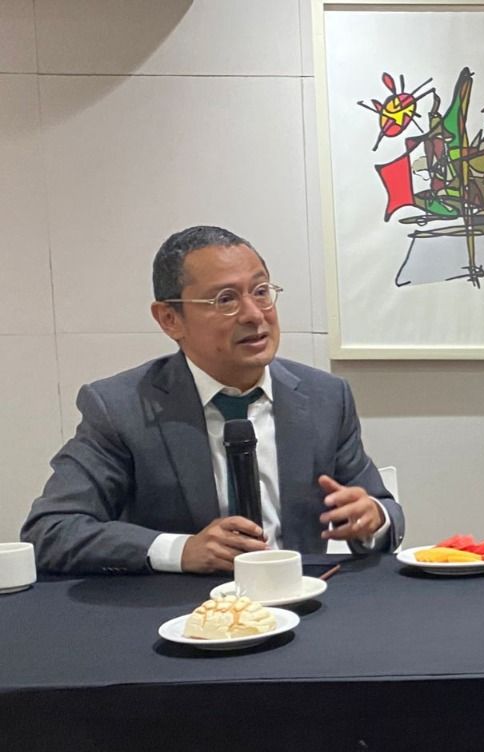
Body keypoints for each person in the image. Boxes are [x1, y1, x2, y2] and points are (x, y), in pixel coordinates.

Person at [22, 226, 405, 575]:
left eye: (261, 291)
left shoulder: (325, 397)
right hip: (181, 613)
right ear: (170, 319)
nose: (254, 315)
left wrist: (373, 517)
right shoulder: (120, 407)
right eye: (226, 300)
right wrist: (180, 550)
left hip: (300, 602)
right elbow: (51, 529)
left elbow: (384, 508)